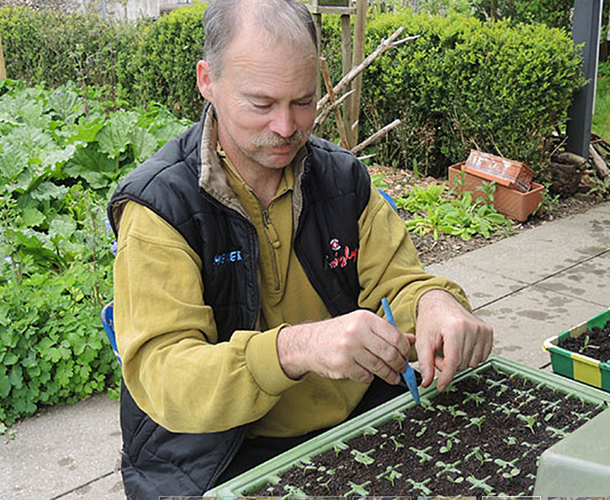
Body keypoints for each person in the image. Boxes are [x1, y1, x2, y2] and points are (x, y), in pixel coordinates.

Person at [107, 0, 493, 497]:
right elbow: (168, 377)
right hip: (221, 455)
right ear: (208, 81)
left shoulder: (343, 179)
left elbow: (400, 282)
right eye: (262, 104)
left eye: (304, 101)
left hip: (357, 423)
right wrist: (295, 349)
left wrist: (436, 304)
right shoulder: (162, 209)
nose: (288, 128)